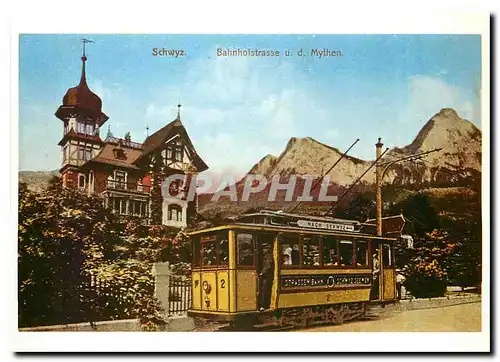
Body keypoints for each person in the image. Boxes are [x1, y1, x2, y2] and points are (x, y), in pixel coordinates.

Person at [258, 242, 275, 312]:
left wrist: (262, 273)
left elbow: (268, 266)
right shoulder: (263, 256)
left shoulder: (269, 256)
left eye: (264, 248)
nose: (263, 250)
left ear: (268, 249)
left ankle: (263, 306)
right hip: (263, 276)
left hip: (267, 276)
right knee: (260, 289)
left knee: (264, 290)